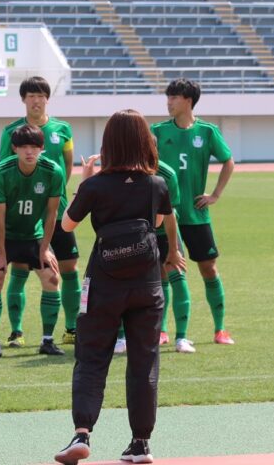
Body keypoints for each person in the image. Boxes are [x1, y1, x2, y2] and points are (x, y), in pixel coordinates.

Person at [54, 109, 183, 465]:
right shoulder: (157, 183)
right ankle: (141, 443)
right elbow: (157, 221)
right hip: (147, 283)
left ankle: (82, 433)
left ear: (109, 143)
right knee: (144, 363)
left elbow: (66, 225)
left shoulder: (95, 186)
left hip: (104, 283)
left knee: (92, 358)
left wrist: (85, 180)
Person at [0, 76, 80, 347]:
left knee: (68, 268)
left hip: (57, 211)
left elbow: (67, 165)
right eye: (31, 95)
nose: (36, 100)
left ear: (47, 98)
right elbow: (4, 170)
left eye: (41, 95)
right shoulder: (11, 131)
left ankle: (71, 328)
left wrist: (54, 194)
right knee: (20, 268)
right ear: (23, 99)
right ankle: (16, 331)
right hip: (24, 215)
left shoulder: (63, 129)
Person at [151, 78, 235, 345]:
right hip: (165, 215)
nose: (169, 102)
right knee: (167, 269)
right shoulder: (158, 131)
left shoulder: (208, 131)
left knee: (208, 268)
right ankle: (163, 330)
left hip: (196, 214)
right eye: (168, 97)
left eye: (173, 97)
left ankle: (220, 329)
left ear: (187, 100)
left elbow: (228, 161)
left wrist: (215, 195)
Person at [0, 124, 64, 358]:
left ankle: (47, 341)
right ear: (15, 148)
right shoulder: (1, 171)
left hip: (33, 235)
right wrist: (0, 253)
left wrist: (45, 247)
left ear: (42, 148)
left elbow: (52, 214)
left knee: (52, 278)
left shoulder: (53, 171)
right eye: (24, 147)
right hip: (4, 235)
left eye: (34, 147)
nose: (29, 152)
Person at [114, 160, 194, 355]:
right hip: (138, 234)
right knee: (129, 282)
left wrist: (174, 250)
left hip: (165, 233)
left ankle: (181, 338)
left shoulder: (167, 174)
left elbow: (170, 215)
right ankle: (123, 338)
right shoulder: (124, 171)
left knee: (176, 274)